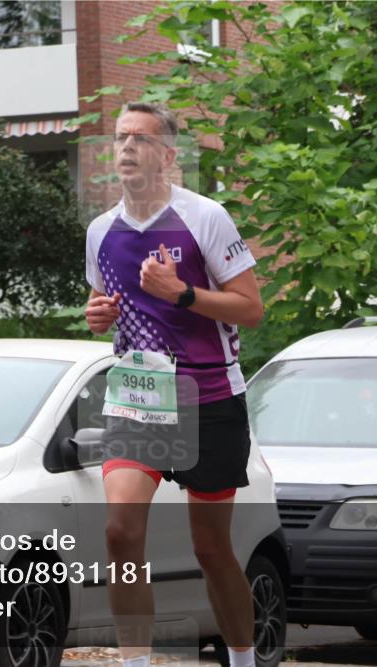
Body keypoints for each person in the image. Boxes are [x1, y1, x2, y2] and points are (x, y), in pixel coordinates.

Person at [84, 102, 264, 667]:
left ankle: (242, 658)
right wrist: (99, 315)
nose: (127, 147)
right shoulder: (100, 232)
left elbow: (250, 309)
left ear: (167, 154)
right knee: (119, 532)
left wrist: (181, 293)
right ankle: (136, 662)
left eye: (141, 137)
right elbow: (108, 304)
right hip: (138, 397)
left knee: (211, 549)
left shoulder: (206, 217)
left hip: (209, 397)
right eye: (120, 137)